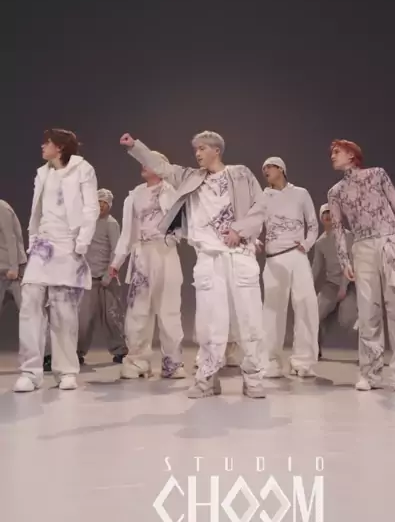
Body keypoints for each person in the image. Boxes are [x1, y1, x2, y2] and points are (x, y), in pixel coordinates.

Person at [119, 131, 266, 398]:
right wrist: (135, 147)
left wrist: (240, 229)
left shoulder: (241, 174)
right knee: (209, 323)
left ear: (216, 150)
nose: (197, 153)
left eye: (202, 148)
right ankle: (207, 378)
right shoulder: (191, 178)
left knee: (249, 319)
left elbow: (260, 205)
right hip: (208, 257)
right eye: (196, 149)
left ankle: (253, 378)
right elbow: (162, 167)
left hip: (240, 255)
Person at [327, 139, 395, 392]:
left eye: (337, 152)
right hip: (362, 247)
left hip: (389, 242)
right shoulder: (335, 192)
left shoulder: (377, 174)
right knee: (368, 313)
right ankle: (370, 373)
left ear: (351, 154)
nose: (332, 156)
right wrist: (344, 260)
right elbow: (338, 229)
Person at [14, 129, 99, 392]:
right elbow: (37, 209)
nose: (43, 146)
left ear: (60, 147)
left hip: (67, 244)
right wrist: (33, 238)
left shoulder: (83, 169)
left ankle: (66, 371)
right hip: (43, 245)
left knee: (64, 310)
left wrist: (82, 242)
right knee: (30, 303)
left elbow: (91, 207)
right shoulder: (43, 173)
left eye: (47, 142)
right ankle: (30, 371)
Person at [109, 154, 185, 380]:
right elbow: (127, 232)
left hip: (165, 253)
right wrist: (117, 261)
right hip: (142, 254)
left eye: (149, 161)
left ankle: (173, 363)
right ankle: (137, 361)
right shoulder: (135, 195)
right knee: (138, 310)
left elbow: (182, 223)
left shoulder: (172, 192)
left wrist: (172, 238)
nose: (143, 164)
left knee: (169, 309)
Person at [261, 157, 319, 377]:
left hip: (297, 255)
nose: (266, 171)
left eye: (269, 167)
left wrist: (306, 244)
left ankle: (303, 361)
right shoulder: (262, 196)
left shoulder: (301, 194)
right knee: (272, 310)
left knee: (306, 305)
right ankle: (271, 361)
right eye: (264, 168)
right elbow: (255, 222)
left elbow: (312, 224)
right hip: (274, 258)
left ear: (281, 169)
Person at [77, 189, 127, 365]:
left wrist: (109, 274)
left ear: (109, 206)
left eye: (105, 203)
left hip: (107, 280)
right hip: (88, 279)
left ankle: (120, 351)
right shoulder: (86, 223)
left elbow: (117, 251)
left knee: (112, 317)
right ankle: (77, 352)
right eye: (99, 202)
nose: (101, 206)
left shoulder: (111, 224)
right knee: (83, 319)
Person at [312, 203, 357, 358]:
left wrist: (344, 287)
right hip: (331, 285)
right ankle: (315, 349)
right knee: (314, 314)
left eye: (330, 213)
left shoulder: (348, 236)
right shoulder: (320, 242)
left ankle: (368, 353)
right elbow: (316, 268)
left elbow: (351, 263)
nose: (327, 216)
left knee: (349, 319)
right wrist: (306, 287)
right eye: (324, 213)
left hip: (351, 284)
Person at [0, 199, 27, 318]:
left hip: (13, 271)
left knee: (26, 312)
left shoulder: (2, 208)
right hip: (1, 270)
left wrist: (14, 267)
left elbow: (10, 238)